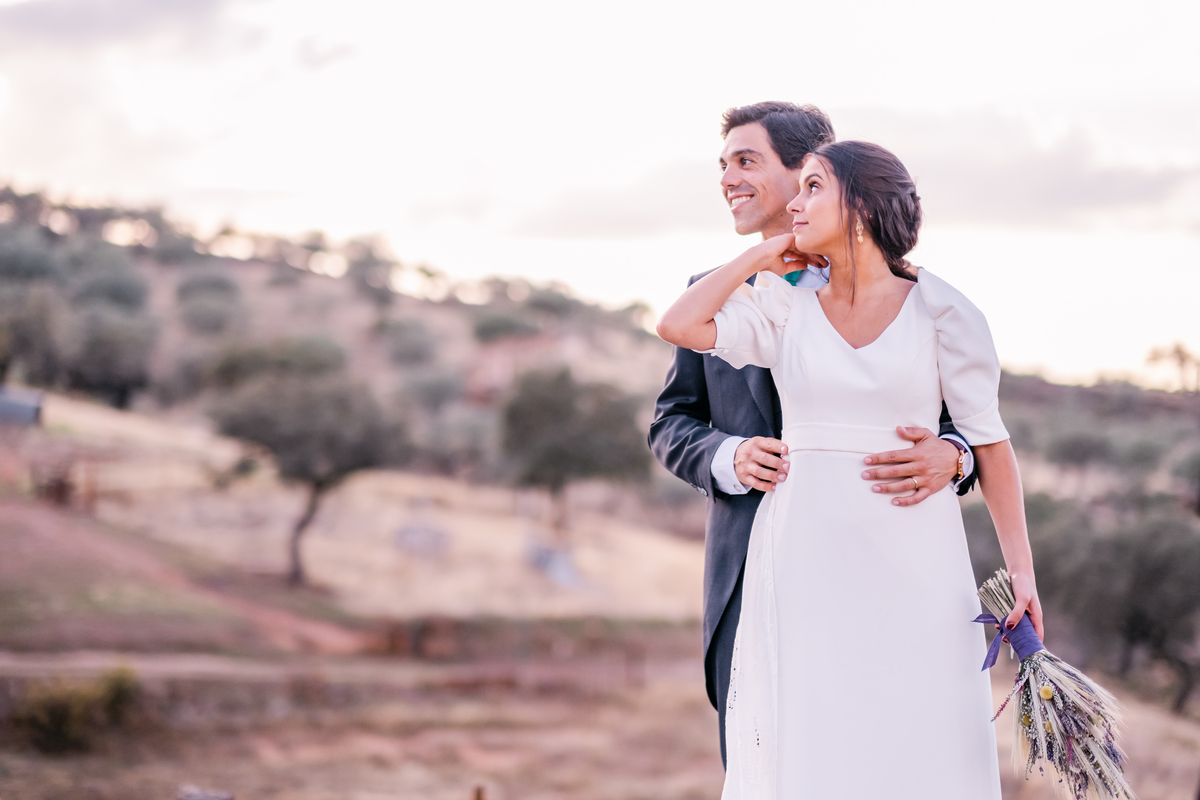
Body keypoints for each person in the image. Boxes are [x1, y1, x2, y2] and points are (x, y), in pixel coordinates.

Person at [656, 140, 1042, 798]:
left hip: (917, 555)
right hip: (802, 555)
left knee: (920, 728)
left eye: (813, 187)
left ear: (860, 206)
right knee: (815, 728)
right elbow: (678, 325)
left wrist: (1022, 575)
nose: (795, 204)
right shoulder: (784, 305)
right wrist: (760, 258)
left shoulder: (946, 312)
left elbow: (990, 445)